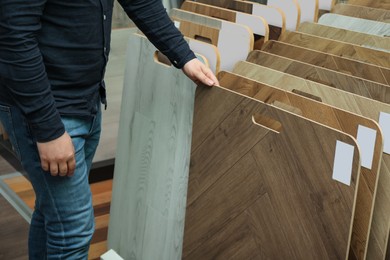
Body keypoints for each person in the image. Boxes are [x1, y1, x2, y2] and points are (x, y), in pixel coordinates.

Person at [0, 0, 219, 259]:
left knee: (53, 214)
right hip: (49, 111)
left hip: (85, 100)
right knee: (73, 231)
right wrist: (48, 130)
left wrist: (184, 56)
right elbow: (14, 38)